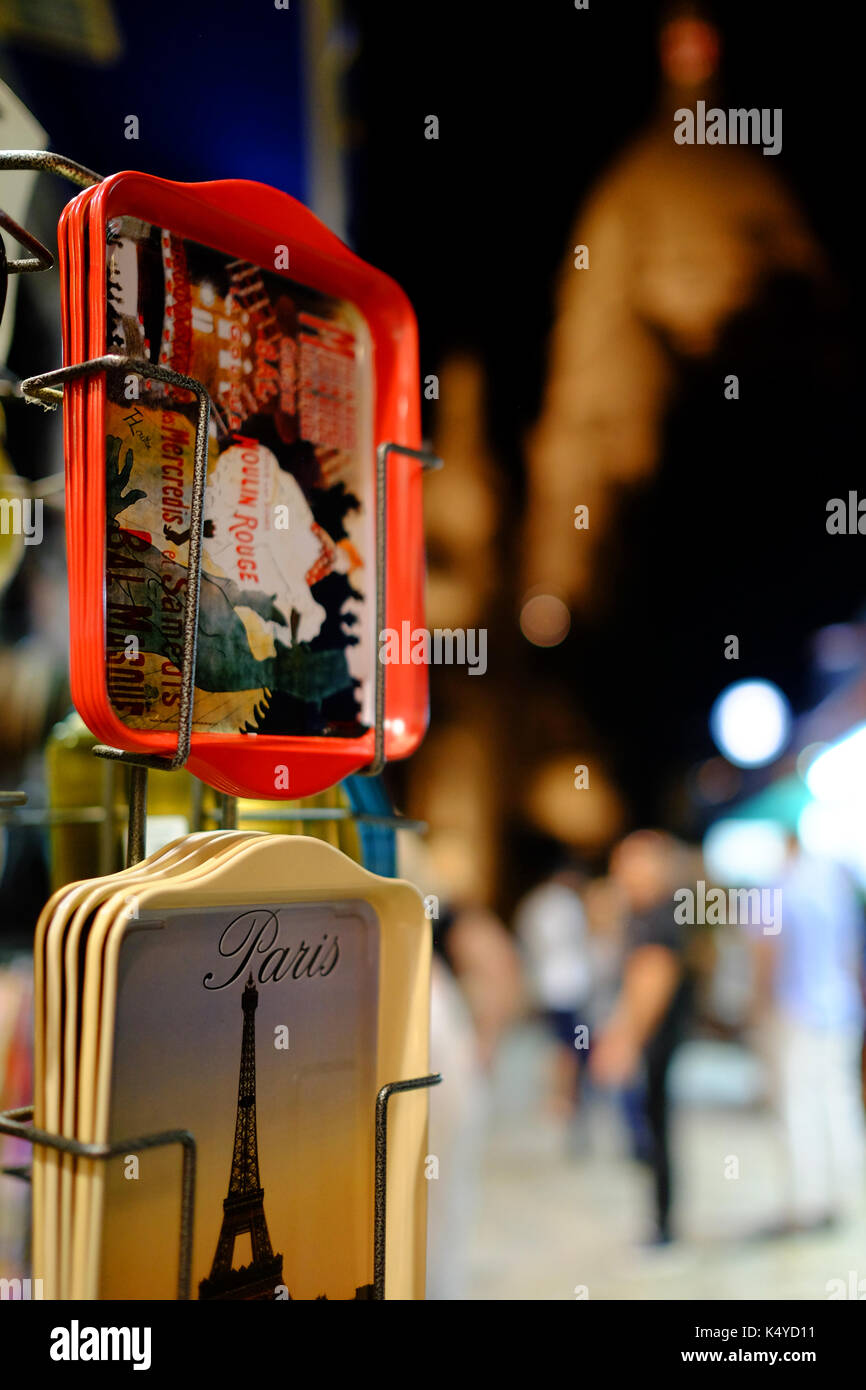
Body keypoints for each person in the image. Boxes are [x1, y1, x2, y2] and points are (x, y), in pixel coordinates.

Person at [747, 836, 866, 1232]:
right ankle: (840, 1195)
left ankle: (804, 1203)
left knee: (797, 1108)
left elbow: (767, 956)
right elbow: (851, 955)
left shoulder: (775, 890)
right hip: (840, 1010)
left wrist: (758, 1008)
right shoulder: (836, 889)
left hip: (794, 1011)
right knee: (839, 1102)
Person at [591, 831, 691, 1245]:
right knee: (654, 1125)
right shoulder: (643, 912)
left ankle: (664, 1225)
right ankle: (661, 1220)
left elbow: (652, 977)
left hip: (660, 1042)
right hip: (655, 1040)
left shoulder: (659, 916)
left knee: (658, 1128)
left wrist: (624, 1039)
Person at [514, 840, 592, 1119]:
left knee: (557, 1043)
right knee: (568, 1046)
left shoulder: (535, 902)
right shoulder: (566, 903)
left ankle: (558, 1095)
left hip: (546, 983)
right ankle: (564, 1096)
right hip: (567, 985)